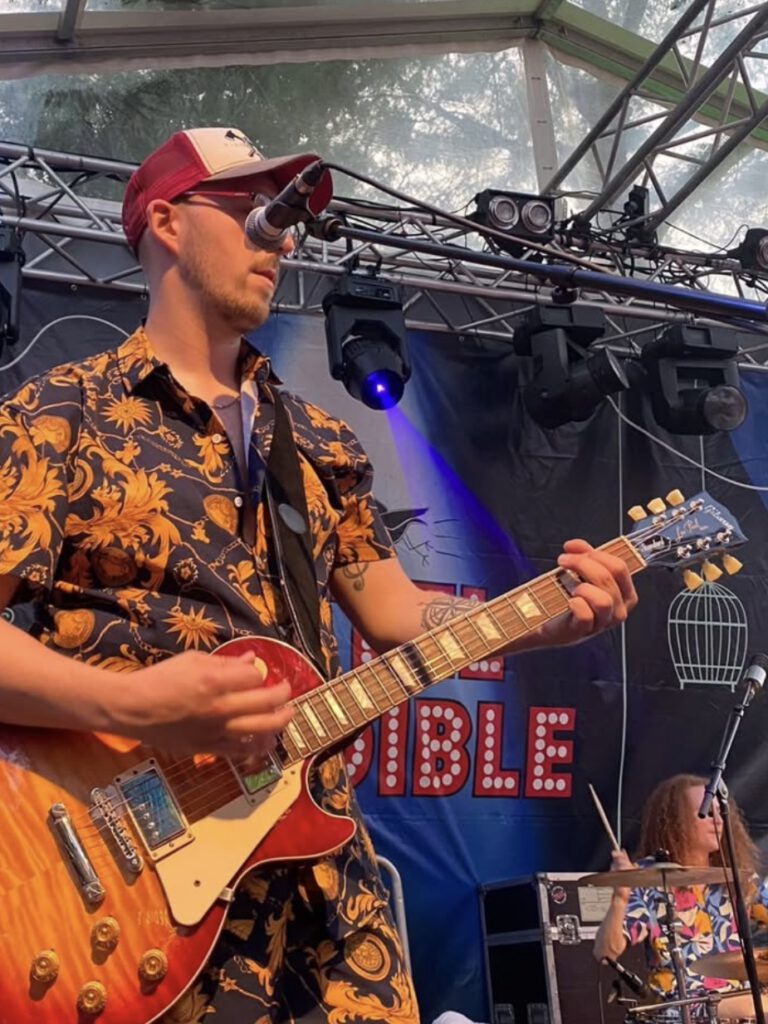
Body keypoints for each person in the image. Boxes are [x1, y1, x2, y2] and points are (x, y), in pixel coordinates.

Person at [0, 125, 638, 1024]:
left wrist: (547, 621)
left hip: (322, 891)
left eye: (288, 219)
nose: (284, 235)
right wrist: (130, 704)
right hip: (116, 893)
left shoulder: (320, 443)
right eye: (255, 211)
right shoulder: (57, 415)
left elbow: (400, 619)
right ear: (167, 222)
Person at [593, 773, 768, 1020]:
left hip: (738, 997)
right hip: (680, 1006)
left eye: (720, 813)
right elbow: (606, 953)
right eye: (707, 814)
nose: (719, 821)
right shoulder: (646, 880)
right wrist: (620, 898)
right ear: (677, 822)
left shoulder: (737, 879)